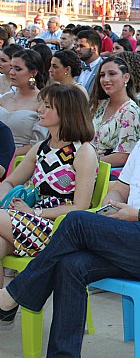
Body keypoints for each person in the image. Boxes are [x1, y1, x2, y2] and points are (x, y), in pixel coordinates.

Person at [0, 83, 140, 355]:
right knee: (70, 265)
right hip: (131, 238)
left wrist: (138, 215)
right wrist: (111, 202)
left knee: (77, 220)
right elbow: (121, 187)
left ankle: (16, 295)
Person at [0, 84, 98, 284]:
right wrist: (5, 201)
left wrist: (34, 212)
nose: (39, 110)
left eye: (47, 106)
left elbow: (80, 207)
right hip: (27, 221)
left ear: (66, 112)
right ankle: (5, 309)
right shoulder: (41, 148)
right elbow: (10, 181)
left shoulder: (83, 152)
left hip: (58, 228)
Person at [90, 57, 140, 167]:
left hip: (110, 175)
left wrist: (88, 163)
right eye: (102, 75)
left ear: (126, 77)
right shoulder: (99, 105)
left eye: (112, 74)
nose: (106, 79)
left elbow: (124, 156)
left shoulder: (131, 111)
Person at [0, 50, 49, 156]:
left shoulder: (43, 102)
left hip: (21, 162)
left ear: (33, 72)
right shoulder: (5, 98)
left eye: (18, 69)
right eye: (11, 67)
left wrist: (7, 156)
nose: (12, 72)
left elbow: (38, 143)